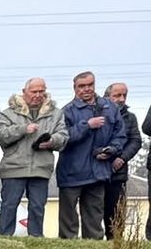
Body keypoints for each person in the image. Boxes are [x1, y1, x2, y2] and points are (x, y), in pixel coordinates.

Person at [0, 79, 65, 238]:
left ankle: (36, 238)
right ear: (24, 92)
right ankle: (4, 237)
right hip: (13, 168)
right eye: (34, 91)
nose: (38, 95)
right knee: (9, 205)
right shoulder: (8, 113)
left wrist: (52, 141)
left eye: (41, 91)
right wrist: (23, 129)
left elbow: (63, 135)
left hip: (41, 168)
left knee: (38, 206)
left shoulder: (56, 114)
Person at [57, 72, 121, 240]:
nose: (86, 89)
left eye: (90, 85)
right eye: (82, 86)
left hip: (98, 172)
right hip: (72, 173)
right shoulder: (66, 112)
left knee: (94, 220)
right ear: (75, 88)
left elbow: (120, 135)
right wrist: (87, 126)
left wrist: (111, 150)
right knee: (68, 221)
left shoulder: (110, 108)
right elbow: (62, 139)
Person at [104, 82, 141, 238]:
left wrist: (122, 158)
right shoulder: (97, 114)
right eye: (117, 95)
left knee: (116, 214)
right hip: (95, 172)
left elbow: (135, 140)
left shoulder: (130, 118)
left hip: (118, 173)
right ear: (107, 97)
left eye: (124, 95)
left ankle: (115, 245)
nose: (121, 99)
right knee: (95, 211)